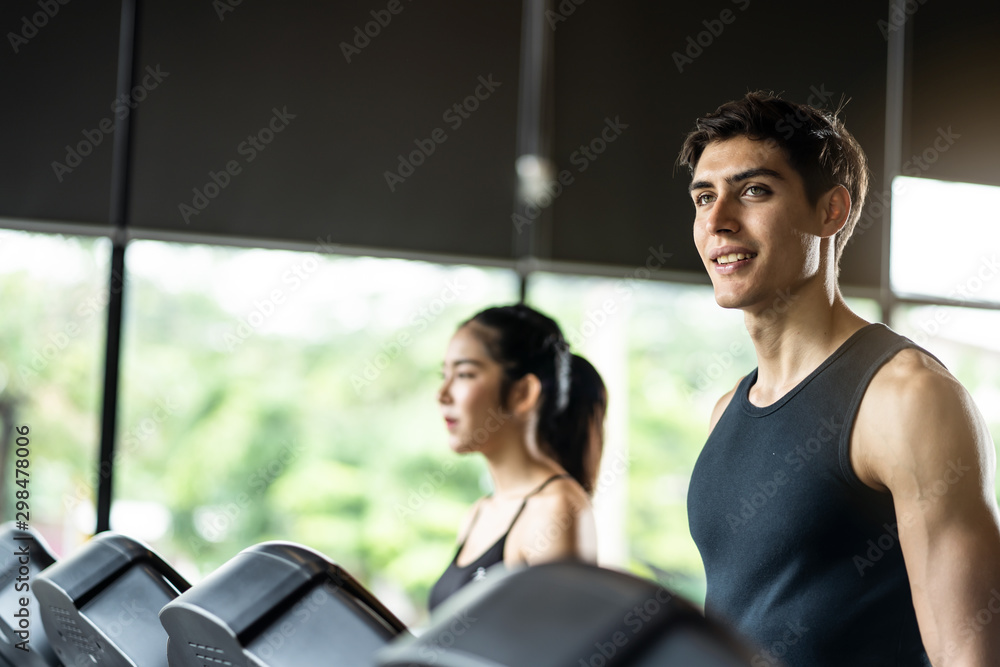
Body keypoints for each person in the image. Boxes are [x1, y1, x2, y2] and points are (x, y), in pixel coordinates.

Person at [679, 92, 1000, 666]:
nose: (718, 220)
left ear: (832, 211)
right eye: (705, 196)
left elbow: (969, 654)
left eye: (754, 191)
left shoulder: (906, 396)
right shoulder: (728, 407)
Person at [428, 304, 605, 612]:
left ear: (522, 392)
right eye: (444, 374)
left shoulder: (555, 510)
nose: (442, 393)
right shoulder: (478, 513)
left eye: (465, 374)